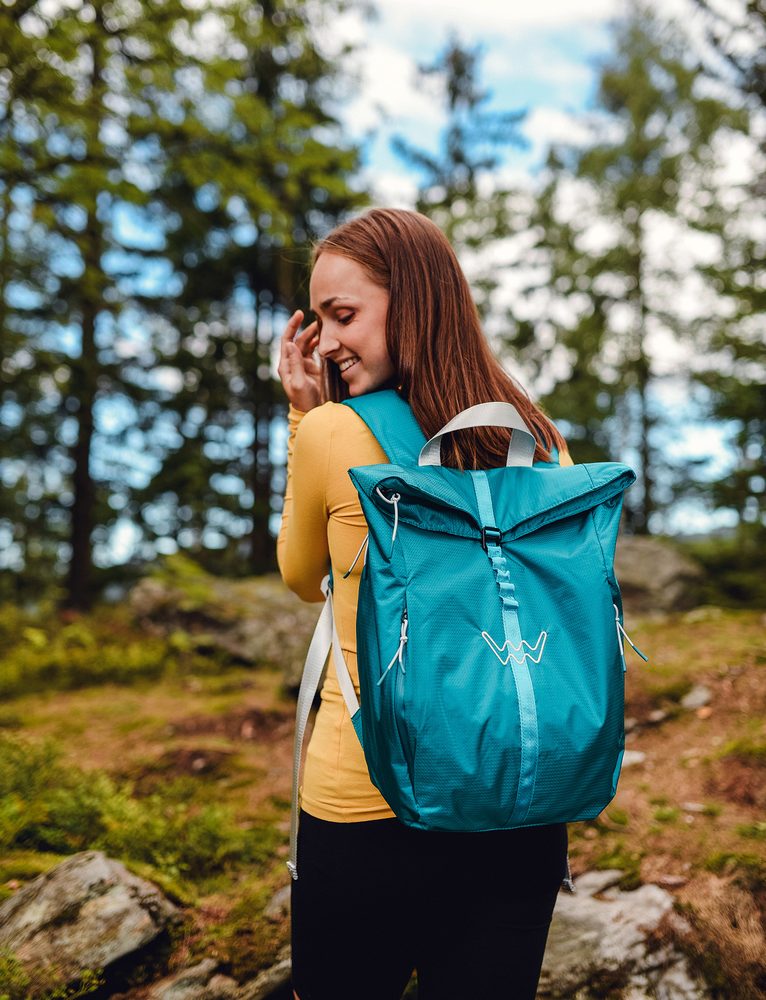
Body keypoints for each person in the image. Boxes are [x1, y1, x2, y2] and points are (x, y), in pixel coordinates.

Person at [277, 208, 572, 1000]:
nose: (330, 342)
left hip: (367, 808)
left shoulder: (332, 433)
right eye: (323, 320)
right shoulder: (540, 440)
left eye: (345, 315)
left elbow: (304, 577)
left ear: (414, 302)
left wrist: (305, 414)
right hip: (519, 805)